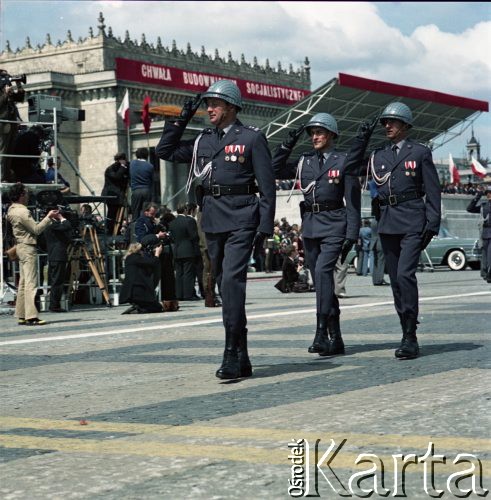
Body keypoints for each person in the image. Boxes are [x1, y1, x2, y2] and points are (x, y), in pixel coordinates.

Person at [156, 80, 276, 379]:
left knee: (233, 282)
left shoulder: (251, 138)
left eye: (215, 104)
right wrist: (181, 117)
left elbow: (268, 187)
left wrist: (264, 227)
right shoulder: (203, 140)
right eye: (207, 103)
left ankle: (231, 351)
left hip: (241, 216)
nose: (209, 108)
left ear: (232, 107)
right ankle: (243, 353)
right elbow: (165, 150)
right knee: (223, 283)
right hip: (212, 217)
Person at [273, 113, 375, 356]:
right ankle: (336, 337)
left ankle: (320, 332)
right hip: (310, 226)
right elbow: (274, 168)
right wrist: (287, 144)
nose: (314, 137)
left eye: (319, 132)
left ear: (331, 135)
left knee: (321, 273)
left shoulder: (343, 161)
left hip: (334, 225)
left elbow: (352, 200)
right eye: (312, 133)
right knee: (322, 283)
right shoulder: (304, 161)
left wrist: (352, 233)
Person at [368, 102, 441, 359]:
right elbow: (376, 194)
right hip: (388, 223)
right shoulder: (378, 155)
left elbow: (433, 191)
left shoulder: (419, 153)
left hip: (412, 220)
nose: (387, 126)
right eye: (385, 122)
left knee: (405, 275)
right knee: (396, 281)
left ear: (405, 126)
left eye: (393, 122)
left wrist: (432, 224)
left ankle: (410, 335)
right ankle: (405, 329)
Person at [6, 183, 60, 325]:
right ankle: (31, 316)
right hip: (28, 247)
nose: (29, 196)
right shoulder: (23, 212)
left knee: (23, 282)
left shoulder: (11, 210)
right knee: (31, 282)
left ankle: (22, 314)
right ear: (21, 195)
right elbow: (36, 229)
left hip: (19, 246)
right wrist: (48, 217)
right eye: (26, 193)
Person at [119, 235, 163, 314]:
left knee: (155, 306)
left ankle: (137, 307)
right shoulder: (135, 258)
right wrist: (157, 254)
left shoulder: (130, 258)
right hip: (138, 291)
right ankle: (138, 309)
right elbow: (153, 263)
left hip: (136, 290)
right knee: (157, 307)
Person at [169, 204, 201, 301]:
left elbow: (172, 237)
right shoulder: (189, 221)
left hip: (177, 250)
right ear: (185, 210)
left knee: (179, 273)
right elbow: (194, 236)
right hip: (188, 249)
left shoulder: (172, 222)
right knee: (188, 273)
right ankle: (188, 294)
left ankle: (179, 294)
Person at [44, 211, 73, 312]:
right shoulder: (53, 224)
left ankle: (54, 304)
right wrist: (61, 218)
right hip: (58, 256)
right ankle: (54, 305)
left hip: (53, 255)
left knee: (55, 281)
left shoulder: (48, 224)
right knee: (57, 281)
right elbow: (67, 226)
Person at [0, 68, 25, 182]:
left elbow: (20, 98)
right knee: (2, 151)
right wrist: (5, 94)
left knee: (9, 152)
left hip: (12, 122)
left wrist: (19, 85)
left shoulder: (6, 85)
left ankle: (6, 177)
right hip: (2, 123)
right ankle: (1, 178)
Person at [466, 185, 491, 283]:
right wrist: (479, 195)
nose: (489, 195)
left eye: (490, 193)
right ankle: (486, 274)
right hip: (485, 234)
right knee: (485, 257)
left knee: (490, 256)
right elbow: (469, 208)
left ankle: (489, 274)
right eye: (487, 193)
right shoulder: (484, 205)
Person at [101, 152, 129, 235]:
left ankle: (117, 231)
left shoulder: (122, 168)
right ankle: (109, 232)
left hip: (119, 196)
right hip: (111, 195)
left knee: (119, 215)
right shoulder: (111, 169)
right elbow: (117, 177)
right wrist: (123, 167)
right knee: (112, 214)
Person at [129, 147, 154, 219]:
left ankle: (135, 227)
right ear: (147, 155)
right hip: (146, 190)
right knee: (146, 212)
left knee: (135, 212)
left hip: (136, 191)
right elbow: (152, 181)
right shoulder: (150, 166)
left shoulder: (132, 164)